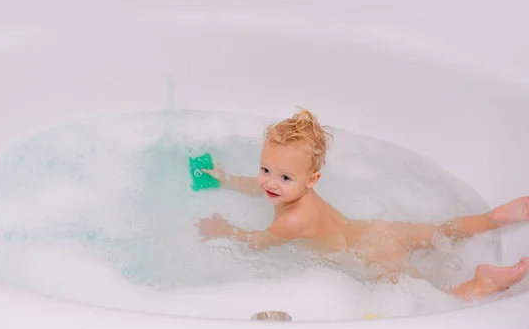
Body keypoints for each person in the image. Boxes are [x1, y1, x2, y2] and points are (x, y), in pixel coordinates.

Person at [196, 107, 529, 300]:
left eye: (283, 178)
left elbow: (259, 244)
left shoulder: (290, 221)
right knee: (442, 231)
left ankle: (482, 283)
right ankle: (493, 217)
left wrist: (227, 229)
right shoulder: (296, 191)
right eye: (264, 169)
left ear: (311, 181)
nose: (269, 182)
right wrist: (226, 179)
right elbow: (264, 189)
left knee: (429, 302)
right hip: (377, 231)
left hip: (371, 256)